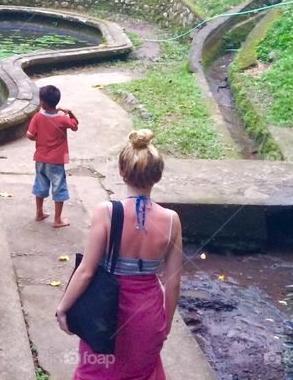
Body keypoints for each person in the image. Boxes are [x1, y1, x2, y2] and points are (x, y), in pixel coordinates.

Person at [56, 129, 183, 380]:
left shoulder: (106, 212)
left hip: (107, 314)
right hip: (148, 315)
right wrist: (165, 324)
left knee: (96, 372)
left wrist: (63, 308)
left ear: (121, 172)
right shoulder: (171, 221)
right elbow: (173, 282)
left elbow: (86, 271)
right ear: (157, 176)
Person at [27, 84, 78, 228]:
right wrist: (70, 113)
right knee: (58, 187)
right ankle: (57, 220)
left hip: (40, 159)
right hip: (56, 161)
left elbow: (30, 135)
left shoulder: (37, 117)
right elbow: (75, 126)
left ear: (42, 103)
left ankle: (39, 213)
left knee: (40, 183)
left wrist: (39, 139)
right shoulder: (62, 119)